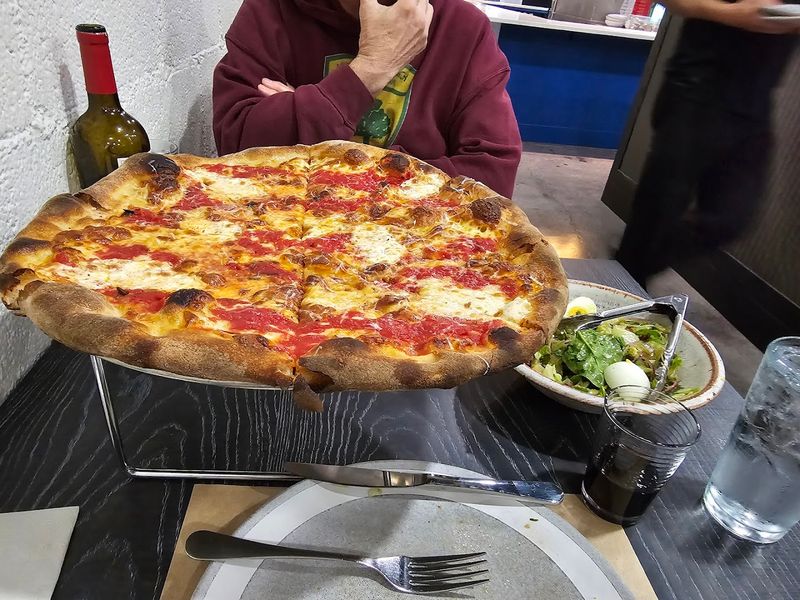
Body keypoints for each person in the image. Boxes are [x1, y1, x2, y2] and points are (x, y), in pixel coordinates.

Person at [212, 0, 522, 198]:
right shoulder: (271, 11)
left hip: (420, 255)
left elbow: (493, 177)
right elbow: (239, 150)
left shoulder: (463, 27)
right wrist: (371, 68)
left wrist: (307, 113)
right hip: (277, 245)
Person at [615, 0, 798, 286]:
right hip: (696, 90)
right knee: (659, 208)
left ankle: (628, 266)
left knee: (730, 218)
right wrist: (732, 14)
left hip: (755, 102)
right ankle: (626, 279)